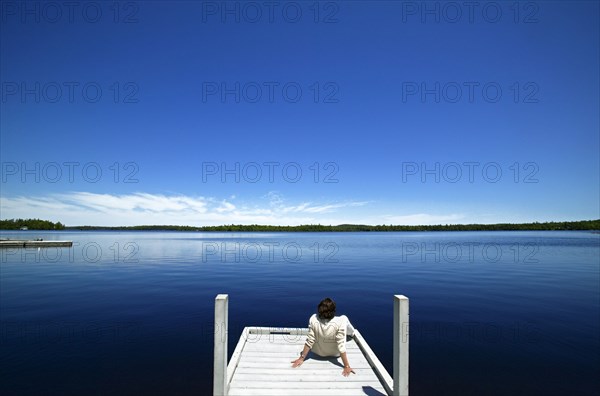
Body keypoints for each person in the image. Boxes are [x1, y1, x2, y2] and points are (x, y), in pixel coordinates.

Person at [291, 297, 356, 376]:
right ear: (334, 311)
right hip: (335, 354)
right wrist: (346, 366)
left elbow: (309, 341)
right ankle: (352, 333)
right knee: (345, 321)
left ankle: (350, 333)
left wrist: (301, 359)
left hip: (318, 353)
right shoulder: (341, 320)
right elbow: (341, 345)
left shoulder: (313, 319)